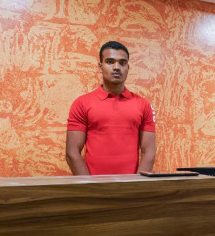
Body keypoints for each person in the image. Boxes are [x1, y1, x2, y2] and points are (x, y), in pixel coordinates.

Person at [65, 40, 156, 175]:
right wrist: (89, 185)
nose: (116, 67)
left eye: (122, 63)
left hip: (131, 185)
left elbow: (149, 152)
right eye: (110, 62)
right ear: (100, 66)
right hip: (93, 185)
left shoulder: (144, 105)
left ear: (128, 67)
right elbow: (72, 153)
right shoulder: (81, 103)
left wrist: (137, 184)